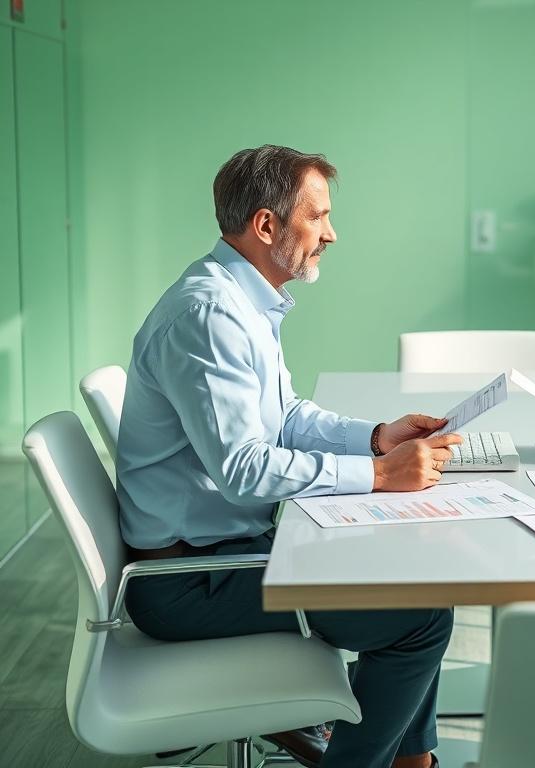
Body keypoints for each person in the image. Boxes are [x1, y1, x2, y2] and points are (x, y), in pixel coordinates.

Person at [117, 145, 460, 768]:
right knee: (421, 614)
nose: (332, 233)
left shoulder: (242, 300)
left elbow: (288, 417)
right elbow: (244, 469)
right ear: (267, 225)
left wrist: (378, 438)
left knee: (414, 578)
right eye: (318, 217)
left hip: (227, 555)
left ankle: (411, 762)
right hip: (190, 582)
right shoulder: (210, 315)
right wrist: (379, 476)